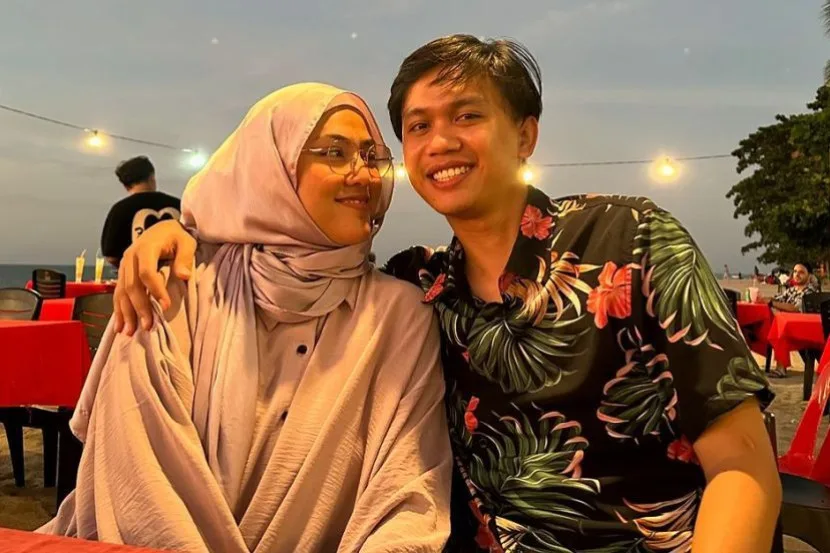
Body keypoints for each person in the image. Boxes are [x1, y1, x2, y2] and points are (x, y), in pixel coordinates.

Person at [112, 36, 781, 553]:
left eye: (467, 115)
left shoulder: (631, 238)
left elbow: (744, 468)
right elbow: (286, 257)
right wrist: (181, 231)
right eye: (418, 126)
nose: (440, 142)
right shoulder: (421, 286)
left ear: (525, 134)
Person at [40, 83, 452, 552]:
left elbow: (409, 495)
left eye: (370, 155)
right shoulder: (176, 288)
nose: (365, 175)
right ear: (270, 167)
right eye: (335, 153)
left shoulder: (400, 315)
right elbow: (138, 490)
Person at [100, 156, 181, 268]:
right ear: (152, 177)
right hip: (178, 276)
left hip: (137, 276)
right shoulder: (178, 204)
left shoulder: (119, 210)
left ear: (125, 185)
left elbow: (111, 255)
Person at [756, 261, 819, 377]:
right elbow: (777, 299)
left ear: (809, 276)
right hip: (791, 327)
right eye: (795, 272)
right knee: (773, 326)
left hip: (807, 330)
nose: (797, 274)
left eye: (801, 272)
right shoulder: (792, 290)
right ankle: (778, 366)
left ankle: (781, 368)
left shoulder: (810, 292)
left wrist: (771, 303)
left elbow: (794, 308)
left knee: (780, 330)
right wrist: (762, 299)